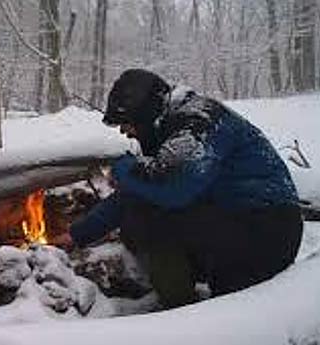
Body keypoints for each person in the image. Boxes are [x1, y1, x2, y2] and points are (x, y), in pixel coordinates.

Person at [56, 69, 303, 308]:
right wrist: (77, 235)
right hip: (243, 222)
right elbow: (136, 194)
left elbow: (173, 188)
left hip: (266, 232)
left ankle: (183, 315)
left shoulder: (197, 121)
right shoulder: (178, 125)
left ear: (144, 115)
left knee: (147, 220)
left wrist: (125, 168)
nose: (124, 131)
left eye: (127, 122)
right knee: (143, 210)